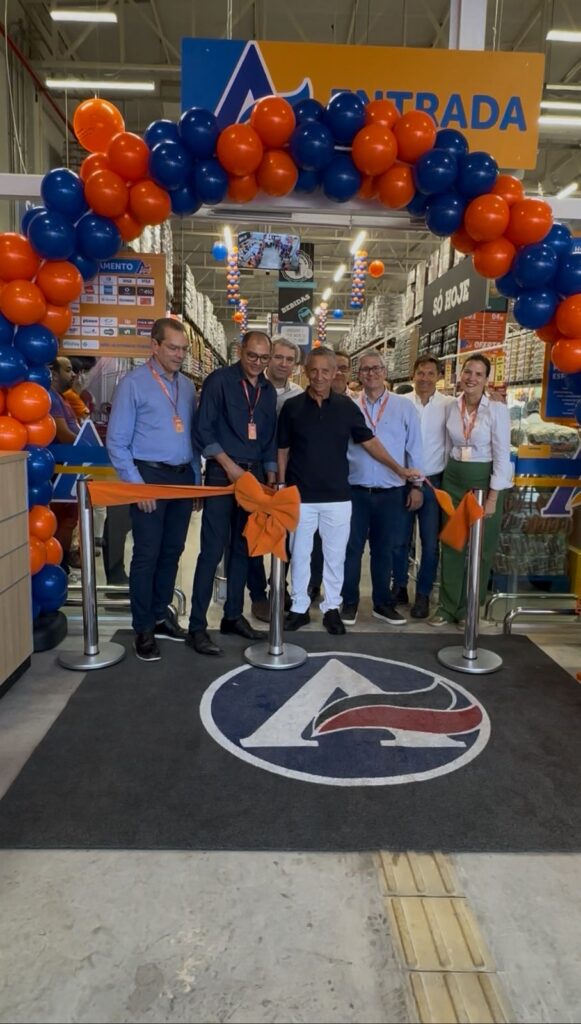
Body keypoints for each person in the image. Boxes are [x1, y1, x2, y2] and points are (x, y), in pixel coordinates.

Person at [278, 347, 421, 635]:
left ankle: (332, 608)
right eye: (314, 370)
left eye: (325, 371)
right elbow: (283, 449)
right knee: (300, 553)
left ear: (335, 373)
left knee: (335, 556)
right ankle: (299, 608)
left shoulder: (346, 407)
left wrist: (399, 469)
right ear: (305, 372)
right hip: (300, 496)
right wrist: (281, 486)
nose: (319, 376)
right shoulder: (292, 407)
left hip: (338, 497)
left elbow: (369, 442)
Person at [107, 318, 199, 662]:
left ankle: (161, 614)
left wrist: (194, 481)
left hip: (182, 478)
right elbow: (117, 442)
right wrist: (137, 487)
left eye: (184, 349)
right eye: (173, 348)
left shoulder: (187, 387)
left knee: (173, 550)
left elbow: (190, 438)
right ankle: (143, 627)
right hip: (148, 476)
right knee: (147, 554)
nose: (179, 355)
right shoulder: (133, 385)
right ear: (154, 346)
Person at [188, 330, 278, 656]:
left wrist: (270, 474)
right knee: (212, 550)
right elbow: (203, 428)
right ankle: (197, 626)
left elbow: (268, 436)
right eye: (252, 355)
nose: (257, 363)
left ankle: (233, 616)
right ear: (240, 351)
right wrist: (228, 466)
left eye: (264, 358)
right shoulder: (219, 381)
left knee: (243, 548)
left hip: (254, 477)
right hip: (221, 475)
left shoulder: (267, 390)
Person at [429, 353, 513, 627]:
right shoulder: (451, 406)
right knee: (452, 542)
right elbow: (446, 444)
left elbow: (502, 455)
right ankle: (447, 606)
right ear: (459, 374)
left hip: (483, 480)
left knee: (482, 547)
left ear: (487, 379)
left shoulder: (496, 409)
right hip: (454, 477)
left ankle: (470, 608)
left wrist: (493, 497)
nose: (471, 378)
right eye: (467, 372)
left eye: (478, 374)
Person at [341, 350, 424, 627]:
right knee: (351, 549)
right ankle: (349, 602)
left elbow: (414, 447)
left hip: (391, 492)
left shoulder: (404, 407)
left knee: (384, 549)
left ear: (385, 372)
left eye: (376, 368)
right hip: (355, 491)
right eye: (365, 369)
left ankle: (382, 603)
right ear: (359, 375)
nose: (371, 373)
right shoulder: (350, 407)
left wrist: (416, 486)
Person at [391, 356, 454, 619]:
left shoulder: (449, 405)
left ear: (439, 376)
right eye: (420, 373)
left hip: (433, 482)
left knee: (430, 542)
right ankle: (399, 587)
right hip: (403, 481)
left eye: (430, 373)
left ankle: (424, 594)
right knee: (399, 540)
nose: (425, 378)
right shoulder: (401, 402)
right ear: (413, 375)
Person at [247, 335, 303, 621]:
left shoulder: (300, 395)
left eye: (289, 359)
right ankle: (258, 594)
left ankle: (279, 587)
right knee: (255, 531)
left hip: (290, 473)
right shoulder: (253, 387)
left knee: (286, 532)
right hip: (256, 470)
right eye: (278, 357)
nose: (283, 363)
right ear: (269, 358)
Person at [308, 348, 352, 602]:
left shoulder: (353, 404)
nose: (337, 374)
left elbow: (369, 442)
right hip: (314, 487)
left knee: (341, 545)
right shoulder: (303, 403)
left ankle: (338, 597)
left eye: (343, 368)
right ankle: (313, 585)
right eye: (317, 370)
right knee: (312, 544)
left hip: (348, 485)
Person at [49, 356, 80, 576]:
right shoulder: (52, 398)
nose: (74, 374)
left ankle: (62, 564)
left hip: (71, 464)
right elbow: (63, 434)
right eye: (68, 370)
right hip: (60, 468)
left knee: (69, 520)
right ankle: (58, 564)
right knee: (62, 520)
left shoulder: (63, 398)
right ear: (54, 373)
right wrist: (86, 445)